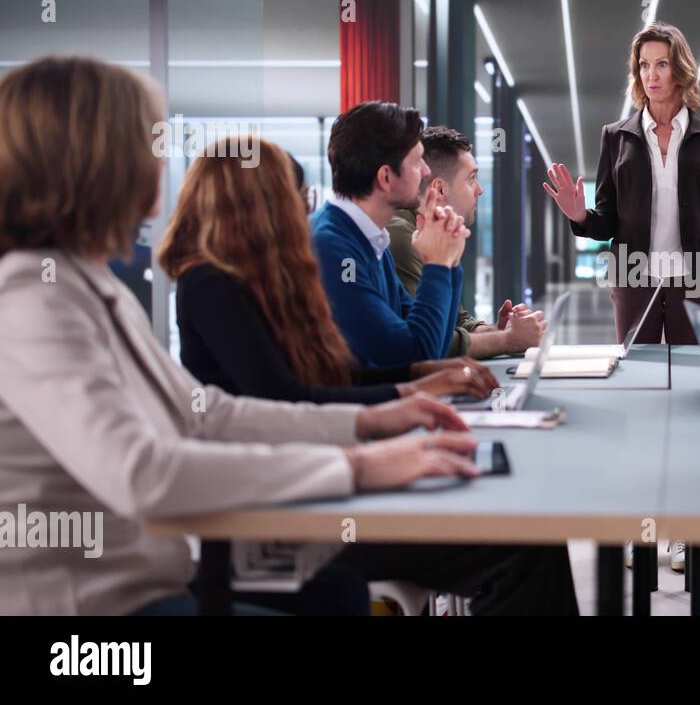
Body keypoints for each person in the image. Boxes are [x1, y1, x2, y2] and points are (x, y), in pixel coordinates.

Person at [0, 57, 579, 616]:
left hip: (164, 572)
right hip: (107, 610)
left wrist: (380, 418)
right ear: (94, 163)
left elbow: (210, 416)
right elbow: (147, 473)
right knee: (503, 548)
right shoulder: (35, 299)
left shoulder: (85, 287)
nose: (161, 157)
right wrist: (360, 463)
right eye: (147, 141)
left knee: (355, 591)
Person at [160, 135, 499, 406]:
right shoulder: (212, 285)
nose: (307, 212)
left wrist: (421, 373)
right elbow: (284, 398)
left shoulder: (264, 279)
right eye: (298, 199)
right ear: (257, 210)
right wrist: (413, 389)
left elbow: (325, 378)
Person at [543, 21, 700, 344]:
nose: (651, 75)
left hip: (693, 277)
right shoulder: (615, 136)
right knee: (636, 370)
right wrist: (579, 215)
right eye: (644, 65)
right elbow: (608, 222)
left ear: (680, 69)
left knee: (693, 370)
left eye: (662, 64)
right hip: (632, 276)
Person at [311, 101, 469, 367]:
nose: (427, 171)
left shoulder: (372, 239)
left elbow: (433, 348)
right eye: (418, 161)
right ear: (386, 177)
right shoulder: (333, 246)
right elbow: (410, 355)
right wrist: (438, 263)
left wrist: (450, 260)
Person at [388, 126, 546, 358]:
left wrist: (494, 330)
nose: (480, 190)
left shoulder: (436, 231)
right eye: (471, 178)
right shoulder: (402, 238)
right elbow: (431, 342)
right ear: (440, 188)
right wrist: (508, 340)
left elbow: (454, 321)